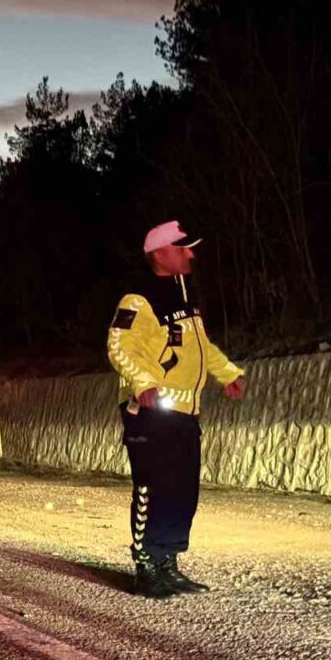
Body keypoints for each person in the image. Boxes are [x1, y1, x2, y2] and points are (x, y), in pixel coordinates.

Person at [106, 221, 246, 598]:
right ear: (159, 254)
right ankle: (146, 566)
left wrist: (227, 373)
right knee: (153, 487)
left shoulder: (187, 297)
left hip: (185, 412)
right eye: (183, 248)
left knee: (183, 491)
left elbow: (202, 348)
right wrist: (142, 382)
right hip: (150, 411)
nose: (191, 254)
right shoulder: (138, 299)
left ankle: (167, 562)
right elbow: (119, 346)